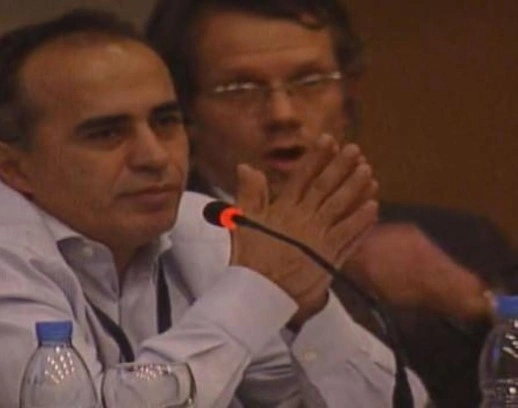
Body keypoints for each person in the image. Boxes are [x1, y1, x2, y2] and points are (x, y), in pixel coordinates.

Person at [0, 8, 429, 408]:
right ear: (13, 168)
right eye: (107, 133)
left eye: (166, 122)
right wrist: (258, 288)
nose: (154, 156)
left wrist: (307, 305)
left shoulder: (201, 227)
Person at [144, 0, 518, 406]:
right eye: (240, 89)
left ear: (347, 95)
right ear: (185, 113)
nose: (282, 113)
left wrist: (477, 301)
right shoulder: (148, 257)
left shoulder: (461, 240)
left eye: (310, 81)